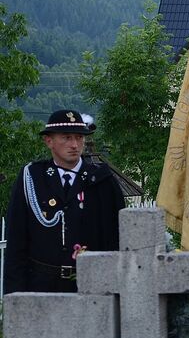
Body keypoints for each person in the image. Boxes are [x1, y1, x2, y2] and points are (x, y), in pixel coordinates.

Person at [4, 110, 125, 294]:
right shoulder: (33, 178)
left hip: (92, 285)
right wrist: (14, 293)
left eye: (79, 137)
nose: (75, 144)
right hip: (41, 287)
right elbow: (16, 239)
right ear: (49, 141)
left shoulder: (102, 180)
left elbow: (116, 237)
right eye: (66, 138)